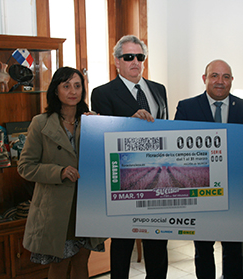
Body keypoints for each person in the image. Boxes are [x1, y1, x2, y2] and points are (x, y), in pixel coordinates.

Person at [175, 59, 243, 279]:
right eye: (214, 75)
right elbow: (176, 146)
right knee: (203, 249)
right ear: (205, 79)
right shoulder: (187, 107)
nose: (220, 81)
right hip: (199, 190)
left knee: (233, 249)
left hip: (235, 190)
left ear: (232, 81)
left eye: (226, 77)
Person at [91, 35, 168, 279]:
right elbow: (102, 138)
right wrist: (128, 125)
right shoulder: (102, 93)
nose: (135, 61)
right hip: (125, 180)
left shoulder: (158, 89)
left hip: (158, 179)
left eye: (140, 56)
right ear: (117, 61)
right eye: (128, 57)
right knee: (122, 244)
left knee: (157, 244)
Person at [18, 67, 106, 279]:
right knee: (59, 266)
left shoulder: (91, 120)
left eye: (77, 86)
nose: (73, 91)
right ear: (55, 91)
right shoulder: (40, 123)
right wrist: (59, 172)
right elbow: (25, 166)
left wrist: (100, 128)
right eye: (66, 86)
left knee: (82, 263)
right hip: (56, 209)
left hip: (86, 205)